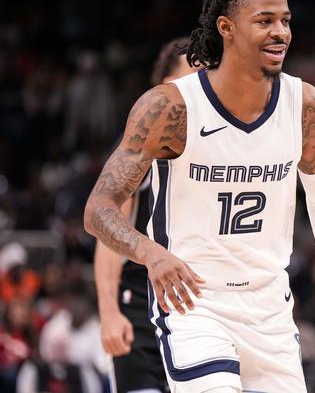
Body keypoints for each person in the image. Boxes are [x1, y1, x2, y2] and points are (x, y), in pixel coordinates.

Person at [84, 0, 315, 392]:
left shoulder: (304, 104)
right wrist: (150, 253)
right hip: (195, 302)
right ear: (226, 28)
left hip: (270, 306)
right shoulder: (170, 107)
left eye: (285, 20)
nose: (280, 32)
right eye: (264, 21)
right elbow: (98, 209)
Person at [93, 37, 197, 393]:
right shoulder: (142, 146)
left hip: (199, 309)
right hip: (140, 308)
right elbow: (108, 236)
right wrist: (109, 312)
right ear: (164, 86)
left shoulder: (219, 146)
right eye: (189, 78)